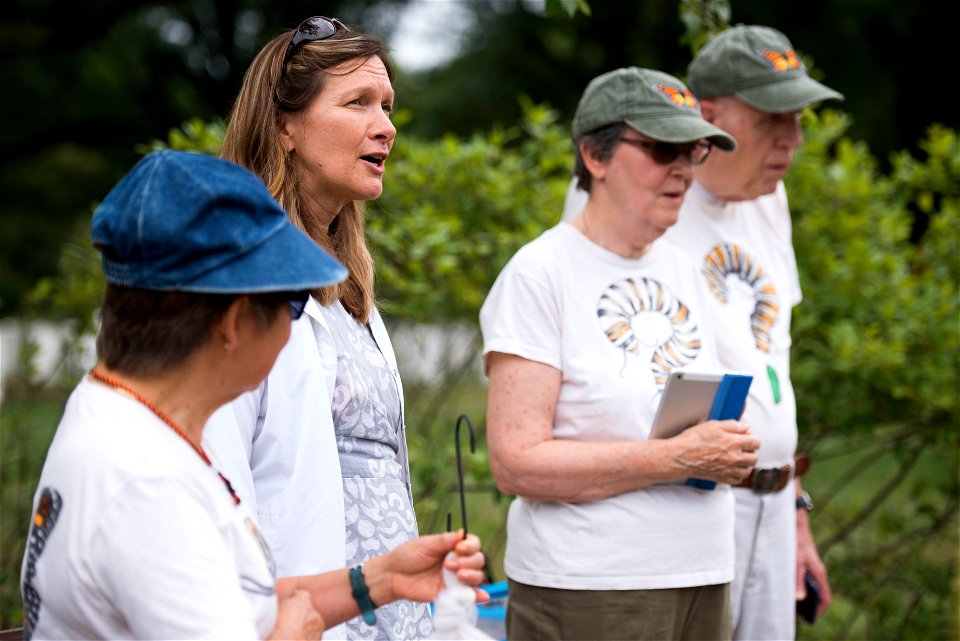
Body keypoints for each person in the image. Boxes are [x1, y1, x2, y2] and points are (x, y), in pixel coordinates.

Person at [18, 150, 488, 640]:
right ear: (233, 323)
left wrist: (382, 579)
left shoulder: (115, 414)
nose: (298, 325)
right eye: (290, 302)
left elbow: (227, 602)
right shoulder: (147, 485)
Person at [564, 25, 840, 641]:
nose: (793, 141)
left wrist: (792, 511)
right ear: (710, 117)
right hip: (677, 502)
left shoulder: (769, 199)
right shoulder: (635, 194)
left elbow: (775, 360)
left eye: (798, 120)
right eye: (775, 119)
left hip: (769, 501)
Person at [479, 67, 762, 641]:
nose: (682, 168)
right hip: (591, 587)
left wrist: (727, 448)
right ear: (594, 156)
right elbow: (516, 462)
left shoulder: (684, 270)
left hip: (703, 575)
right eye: (662, 148)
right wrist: (679, 458)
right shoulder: (540, 274)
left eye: (694, 149)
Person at [202, 17, 431, 640]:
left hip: (394, 617)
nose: (384, 126)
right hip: (305, 621)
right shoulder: (240, 287)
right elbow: (218, 485)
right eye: (356, 103)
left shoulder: (349, 291)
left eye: (386, 106)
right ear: (284, 126)